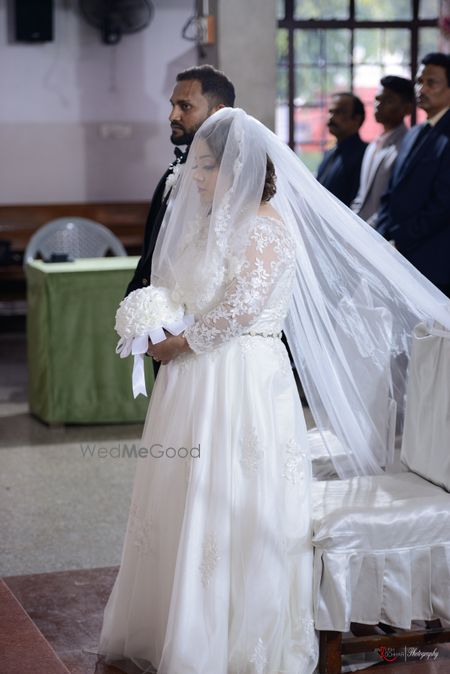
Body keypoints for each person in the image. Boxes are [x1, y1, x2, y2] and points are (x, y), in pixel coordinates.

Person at [98, 109, 450, 674]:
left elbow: (242, 308)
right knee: (188, 496)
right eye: (196, 166)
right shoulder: (213, 223)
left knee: (234, 497)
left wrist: (179, 341)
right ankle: (180, 622)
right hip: (196, 379)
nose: (196, 177)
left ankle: (236, 635)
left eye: (207, 167)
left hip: (241, 377)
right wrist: (158, 317)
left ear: (241, 168)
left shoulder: (265, 227)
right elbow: (191, 290)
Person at [126, 65, 235, 295]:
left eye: (185, 106)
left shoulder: (230, 179)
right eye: (173, 105)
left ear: (218, 111)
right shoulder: (176, 167)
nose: (172, 116)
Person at [376, 53, 450, 296]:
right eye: (419, 81)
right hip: (397, 254)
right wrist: (382, 234)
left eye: (431, 83)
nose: (422, 89)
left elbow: (442, 205)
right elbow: (392, 191)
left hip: (432, 260)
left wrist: (400, 239)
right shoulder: (414, 133)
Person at [351, 76, 414, 226]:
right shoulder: (372, 146)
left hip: (380, 232)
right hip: (358, 229)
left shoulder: (407, 147)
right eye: (377, 99)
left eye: (388, 100)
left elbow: (395, 202)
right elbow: (361, 197)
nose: (379, 105)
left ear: (407, 108)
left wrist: (369, 229)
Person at [316, 92, 367, 206]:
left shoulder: (364, 155)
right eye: (330, 111)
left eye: (339, 112)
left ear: (357, 119)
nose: (331, 117)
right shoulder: (329, 153)